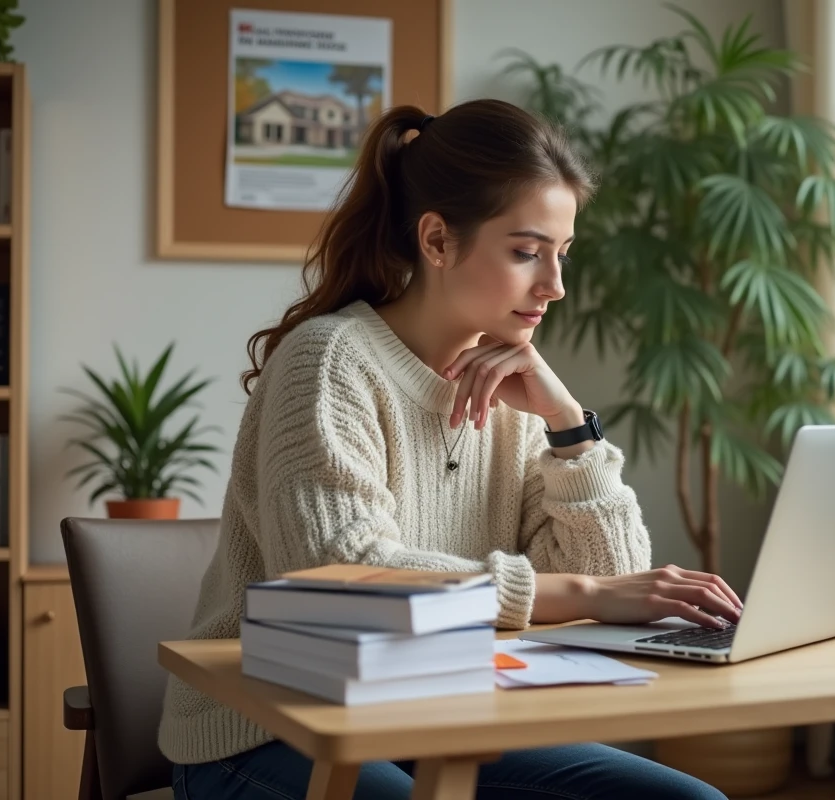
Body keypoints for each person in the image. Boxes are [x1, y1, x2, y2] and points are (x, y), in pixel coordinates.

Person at [159, 99, 743, 800]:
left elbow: (614, 581)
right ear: (437, 240)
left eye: (562, 254)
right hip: (266, 725)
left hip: (442, 713)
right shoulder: (329, 361)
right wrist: (580, 594)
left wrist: (567, 425)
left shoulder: (514, 393)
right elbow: (338, 577)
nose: (555, 286)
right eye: (526, 252)